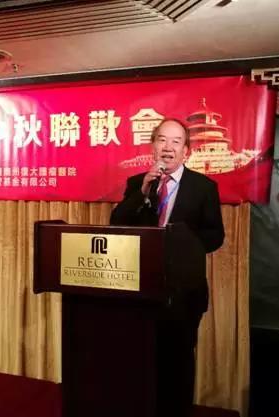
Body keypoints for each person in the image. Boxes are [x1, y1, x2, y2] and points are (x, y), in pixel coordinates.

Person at [110, 118, 225, 417]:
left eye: (176, 141)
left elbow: (215, 236)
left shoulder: (203, 187)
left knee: (178, 362)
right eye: (162, 140)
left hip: (184, 292)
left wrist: (182, 246)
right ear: (153, 146)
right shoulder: (139, 183)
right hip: (142, 290)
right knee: (142, 359)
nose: (168, 147)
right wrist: (142, 192)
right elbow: (117, 223)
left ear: (186, 151)